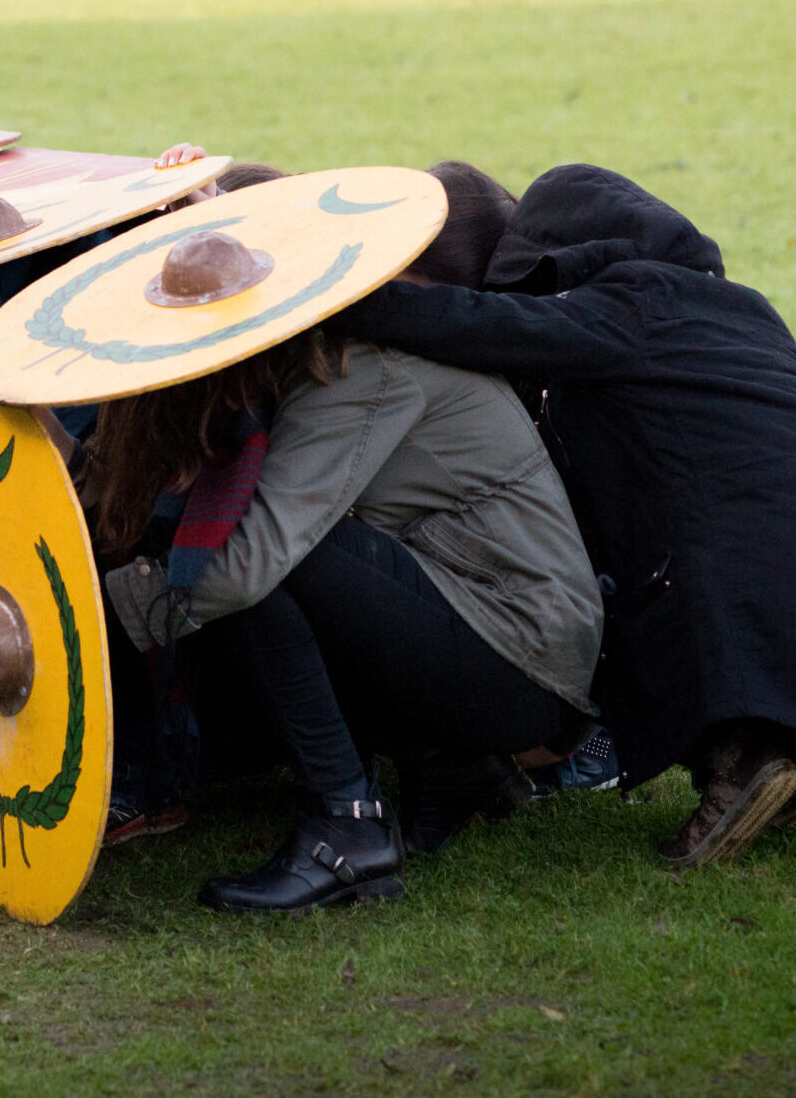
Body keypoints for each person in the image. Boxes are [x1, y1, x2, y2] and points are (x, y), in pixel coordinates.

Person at [94, 188, 603, 913]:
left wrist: (100, 614)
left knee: (259, 564)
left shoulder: (360, 372)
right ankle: (452, 766)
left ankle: (347, 824)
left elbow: (246, 568)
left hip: (523, 657)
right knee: (267, 555)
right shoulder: (325, 357)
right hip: (504, 631)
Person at [335, 164, 796, 865]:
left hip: (739, 537)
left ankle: (738, 769)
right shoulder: (740, 304)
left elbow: (491, 326)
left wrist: (349, 303)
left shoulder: (637, 300)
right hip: (767, 506)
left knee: (689, 604)